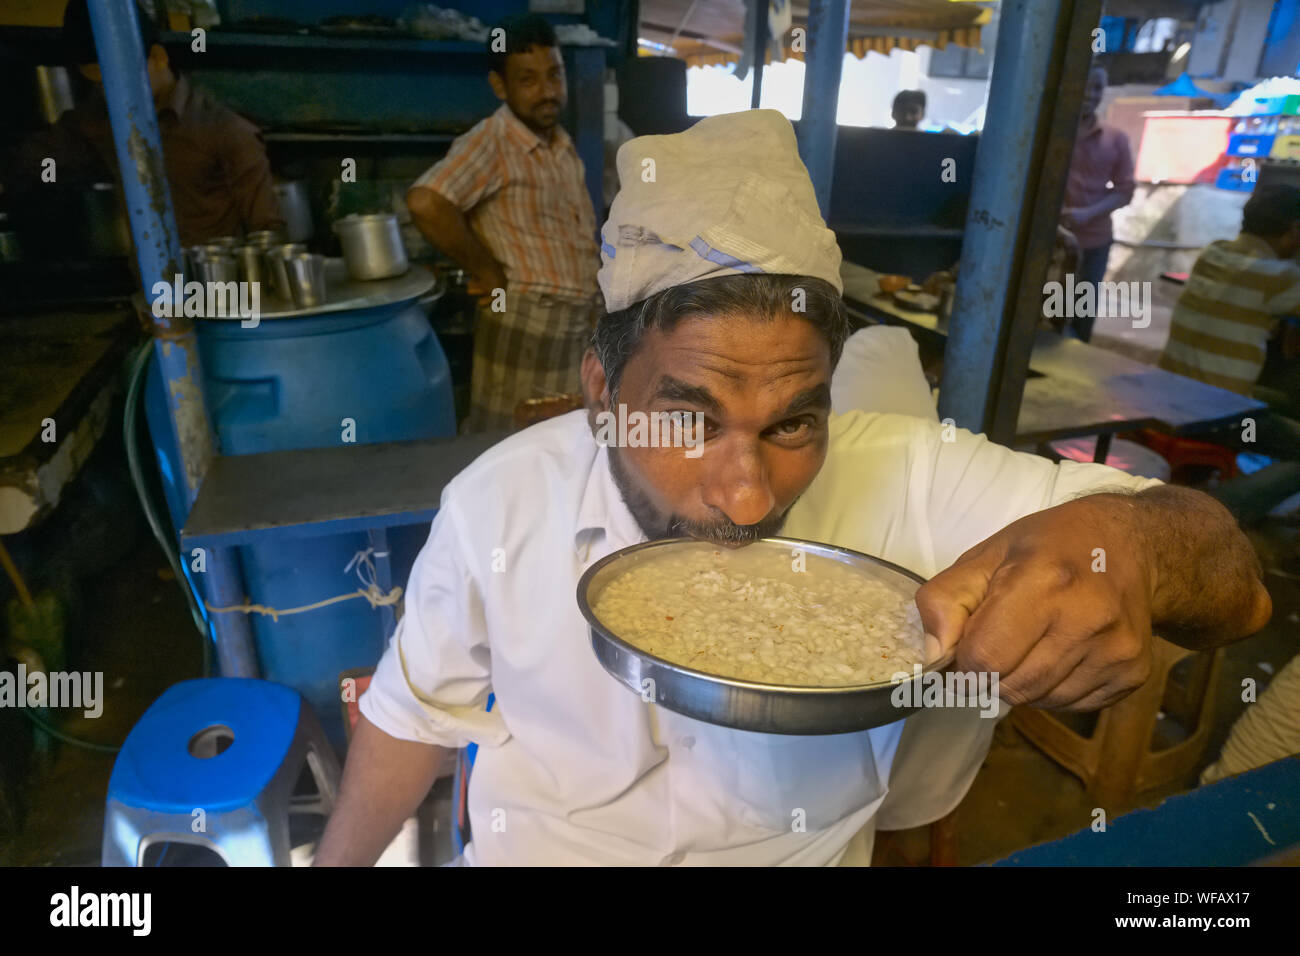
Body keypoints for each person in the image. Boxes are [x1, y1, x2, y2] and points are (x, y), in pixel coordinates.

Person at [316, 110, 1270, 867]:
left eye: (791, 424)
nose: (744, 498)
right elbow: (412, 714)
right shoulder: (500, 502)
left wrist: (1129, 543)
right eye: (689, 422)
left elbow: (1237, 586)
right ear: (602, 391)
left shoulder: (910, 471)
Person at [407, 14, 601, 433]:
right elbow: (426, 202)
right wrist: (488, 271)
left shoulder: (561, 144)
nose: (547, 92)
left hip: (574, 328)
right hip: (523, 326)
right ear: (501, 86)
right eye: (528, 80)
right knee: (506, 447)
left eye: (555, 75)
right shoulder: (492, 141)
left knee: (561, 449)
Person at [5, 0, 284, 248]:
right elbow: (37, 159)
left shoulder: (227, 131)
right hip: (150, 298)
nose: (112, 95)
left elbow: (269, 235)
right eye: (100, 85)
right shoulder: (98, 120)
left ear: (158, 58)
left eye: (120, 81)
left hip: (219, 294)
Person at [1157, 183, 1300, 527]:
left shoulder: (1213, 254)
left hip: (1168, 391)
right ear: (1293, 231)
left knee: (1284, 401)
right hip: (1218, 412)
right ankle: (1214, 515)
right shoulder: (1281, 277)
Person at [1060, 65, 1135, 341]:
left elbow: (1125, 190)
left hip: (1093, 241)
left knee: (1081, 314)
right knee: (1045, 309)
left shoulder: (1116, 139)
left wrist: (1086, 214)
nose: (1090, 95)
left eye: (1097, 88)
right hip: (1048, 241)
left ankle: (1070, 378)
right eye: (1085, 86)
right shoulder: (1049, 132)